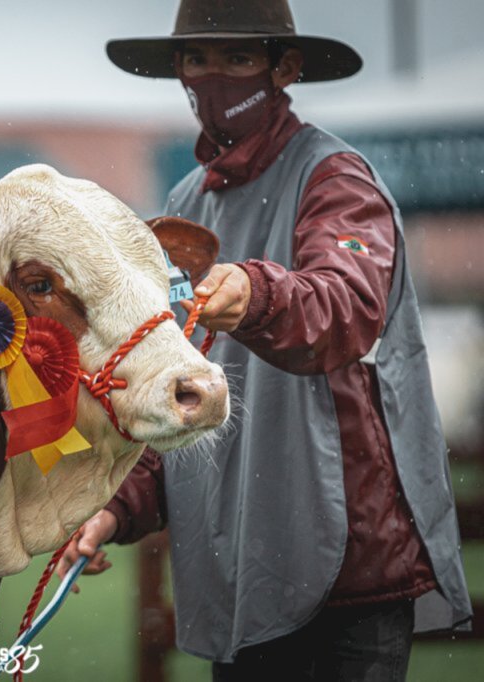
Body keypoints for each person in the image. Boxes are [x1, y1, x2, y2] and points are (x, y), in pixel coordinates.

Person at [57, 1, 473, 680]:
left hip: (347, 576)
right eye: (196, 58)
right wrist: (114, 509)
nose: (212, 75)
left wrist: (257, 294)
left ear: (286, 68)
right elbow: (179, 396)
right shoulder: (186, 204)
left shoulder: (337, 182)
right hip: (240, 574)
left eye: (237, 57)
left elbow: (345, 307)